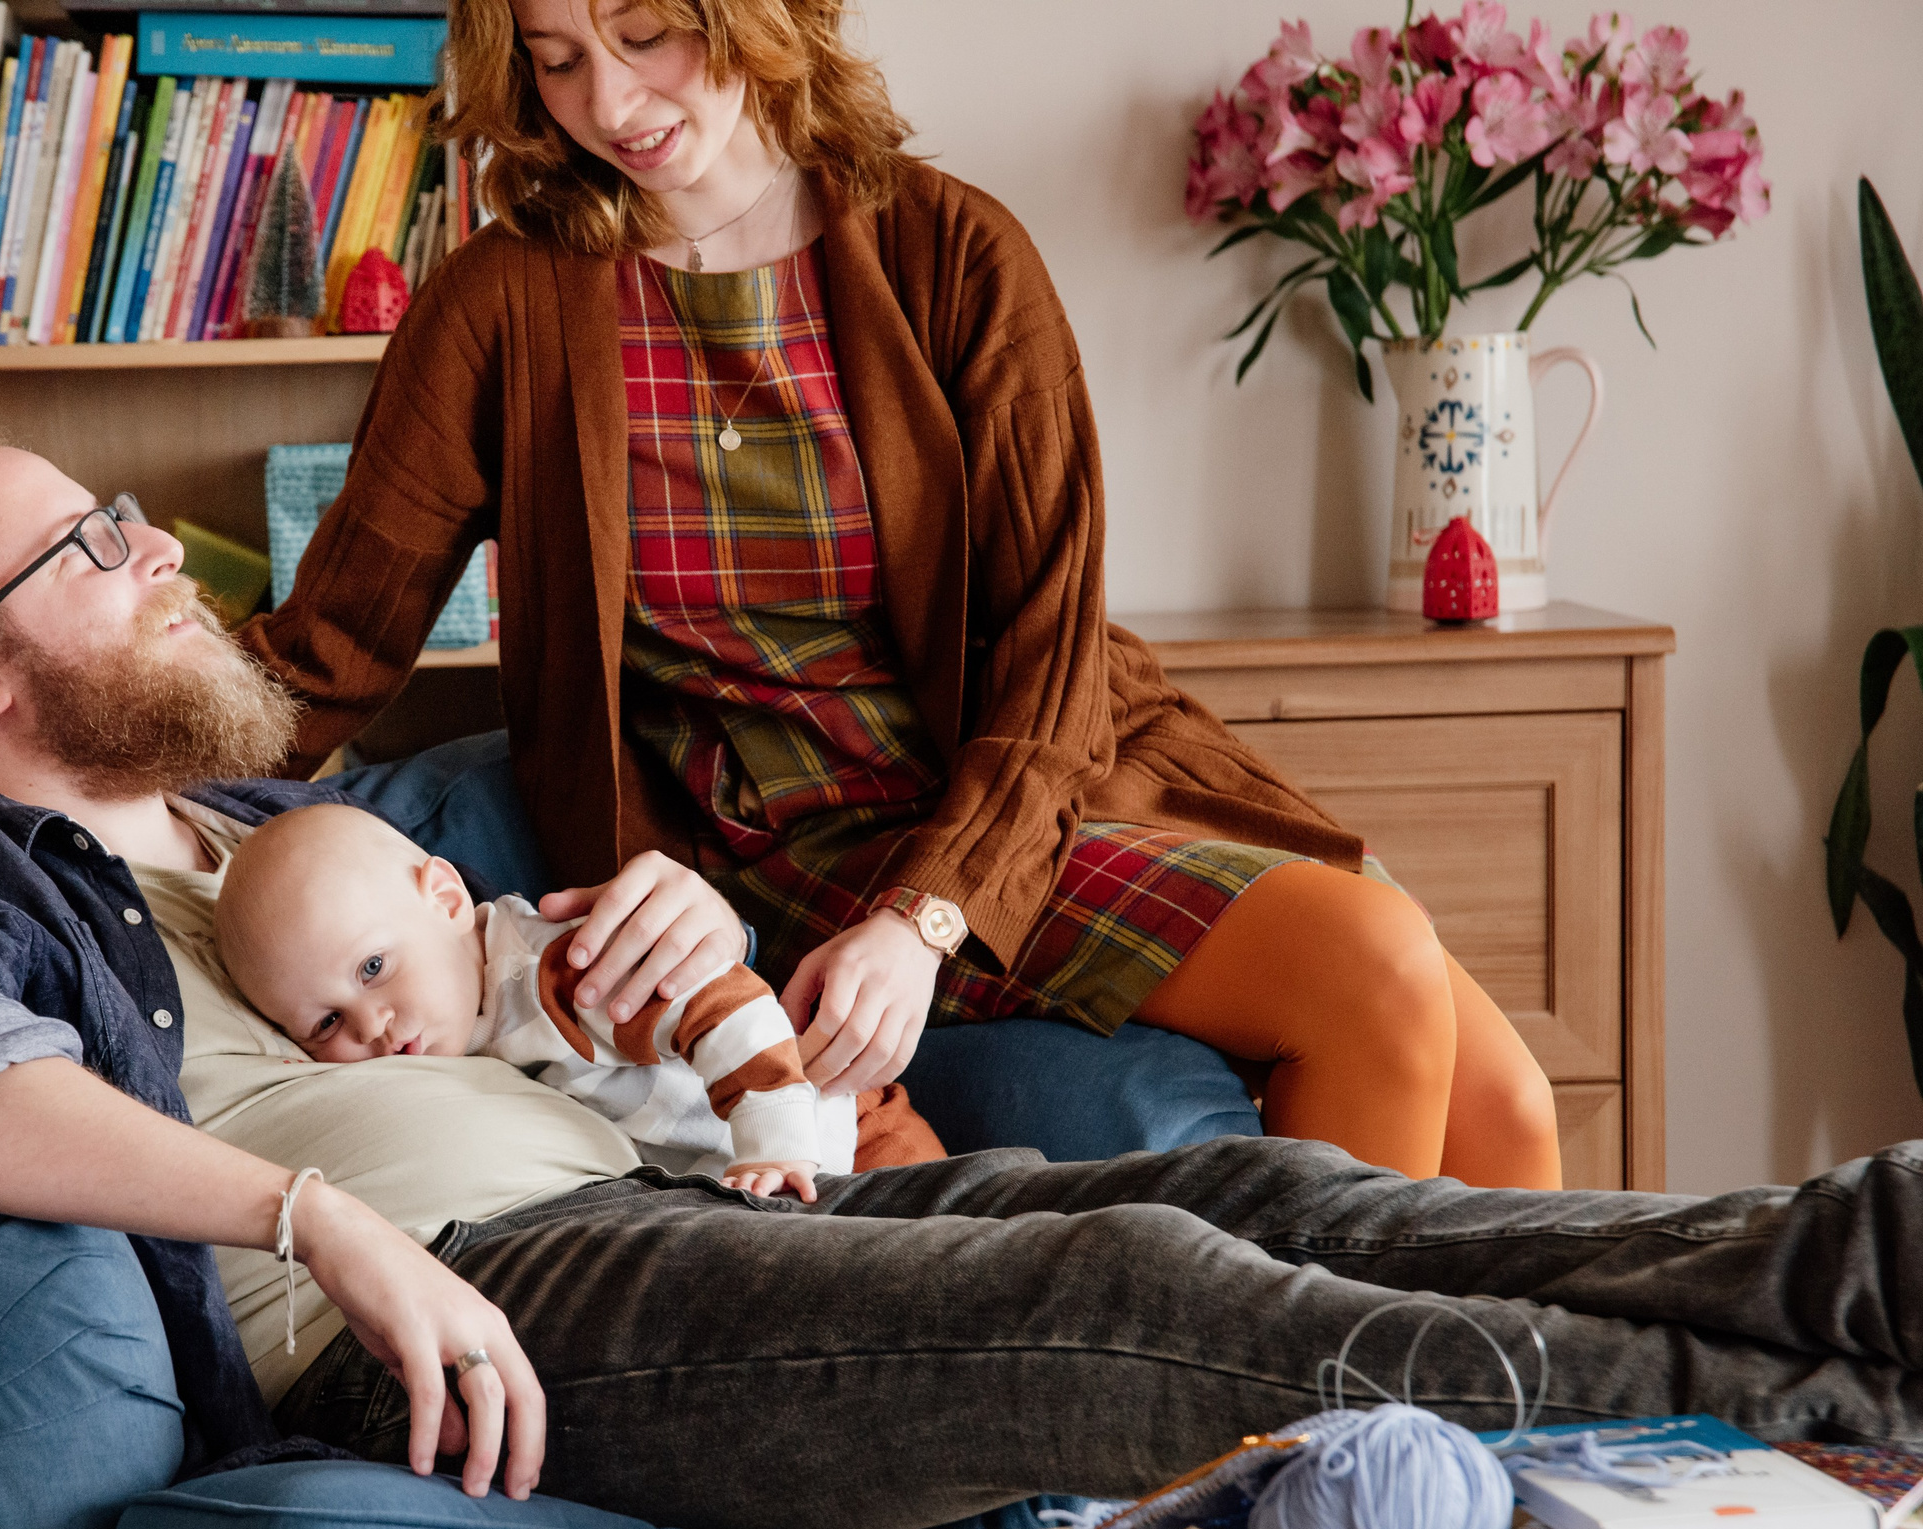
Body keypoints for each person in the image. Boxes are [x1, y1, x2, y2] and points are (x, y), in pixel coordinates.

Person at [0, 432, 1923, 1529]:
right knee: (1130, 1281)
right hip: (471, 1305)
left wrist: (665, 951)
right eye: (90, 545)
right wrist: (313, 1220)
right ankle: (1822, 1418)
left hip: (665, 1197)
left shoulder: (251, 825)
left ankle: (1850, 1255)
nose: (154, 551)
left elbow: (545, 985)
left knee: (1271, 1195)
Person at [233, 0, 1558, 1189]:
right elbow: (332, 644)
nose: (609, 104)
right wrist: (76, 770)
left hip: (1040, 768)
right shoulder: (501, 302)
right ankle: (1322, 1422)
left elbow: (1054, 650)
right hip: (792, 832)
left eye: (648, 37)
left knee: (1507, 1101)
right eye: (559, 59)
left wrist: (929, 920)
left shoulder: (957, 252)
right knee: (1368, 968)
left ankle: (1501, 1457)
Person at [210, 800, 850, 1198]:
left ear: (447, 901)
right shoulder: (455, 1029)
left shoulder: (557, 972)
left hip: (822, 1130)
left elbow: (725, 1004)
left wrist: (773, 1142)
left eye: (373, 967)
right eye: (327, 1021)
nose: (372, 1024)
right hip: (737, 1188)